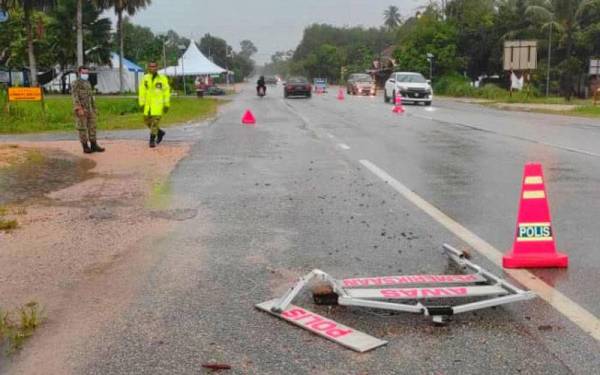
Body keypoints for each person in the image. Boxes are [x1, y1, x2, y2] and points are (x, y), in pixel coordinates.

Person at [71, 66, 104, 154]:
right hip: (82, 109)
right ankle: (85, 146)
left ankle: (94, 145)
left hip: (90, 109)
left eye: (86, 73)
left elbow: (91, 97)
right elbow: (75, 97)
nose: (85, 74)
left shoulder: (88, 83)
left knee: (92, 127)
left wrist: (94, 108)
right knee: (82, 128)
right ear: (79, 73)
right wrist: (78, 108)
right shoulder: (76, 83)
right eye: (83, 73)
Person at [139, 62, 170, 148]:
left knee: (155, 123)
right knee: (147, 121)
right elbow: (142, 91)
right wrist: (141, 103)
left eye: (154, 66)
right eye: (150, 66)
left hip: (158, 106)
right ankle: (160, 133)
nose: (152, 68)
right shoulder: (145, 78)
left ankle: (152, 140)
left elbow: (166, 92)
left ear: (157, 67)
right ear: (148, 67)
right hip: (148, 106)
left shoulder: (162, 79)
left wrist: (166, 104)